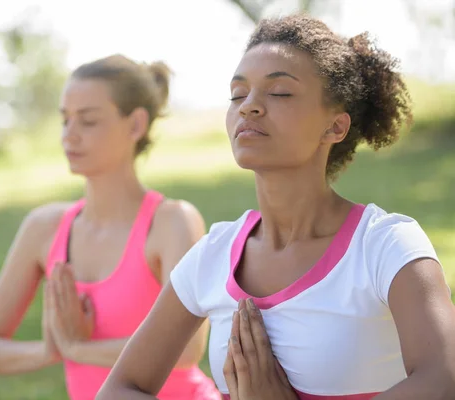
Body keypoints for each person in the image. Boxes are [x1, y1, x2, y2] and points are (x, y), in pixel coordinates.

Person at [96, 14, 455, 400]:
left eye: (279, 92)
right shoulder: (212, 256)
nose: (249, 106)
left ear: (335, 127)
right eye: (237, 94)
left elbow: (444, 379)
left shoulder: (385, 246)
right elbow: (119, 389)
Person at [0, 54, 220, 400]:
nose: (70, 134)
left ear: (135, 125)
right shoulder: (44, 228)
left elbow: (186, 351)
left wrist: (78, 350)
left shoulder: (172, 222)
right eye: (65, 120)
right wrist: (51, 351)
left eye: (88, 121)